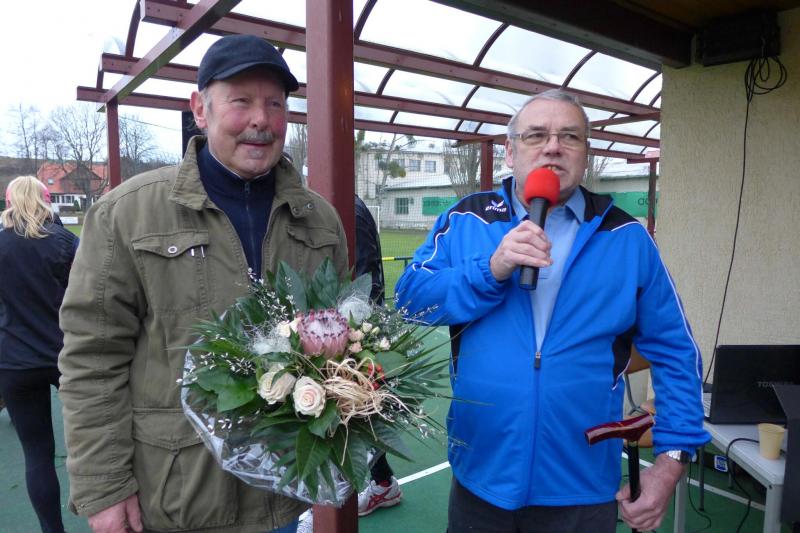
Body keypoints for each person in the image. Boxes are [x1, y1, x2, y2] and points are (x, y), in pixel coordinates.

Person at [58, 35, 348, 533]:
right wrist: (105, 487)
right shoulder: (128, 213)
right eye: (241, 101)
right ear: (200, 109)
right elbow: (92, 357)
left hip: (280, 498)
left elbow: (339, 348)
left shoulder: (319, 220)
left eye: (275, 104)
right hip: (175, 498)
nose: (261, 120)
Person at [395, 89, 710, 533]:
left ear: (586, 154)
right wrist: (490, 269)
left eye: (570, 136)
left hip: (582, 486)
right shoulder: (466, 220)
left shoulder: (626, 237)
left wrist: (671, 460)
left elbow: (676, 351)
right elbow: (409, 300)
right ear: (510, 152)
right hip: (482, 477)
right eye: (536, 135)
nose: (553, 147)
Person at [0, 176, 79, 533]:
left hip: (15, 361)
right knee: (94, 443)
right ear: (47, 200)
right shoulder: (64, 241)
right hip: (65, 355)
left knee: (37, 453)